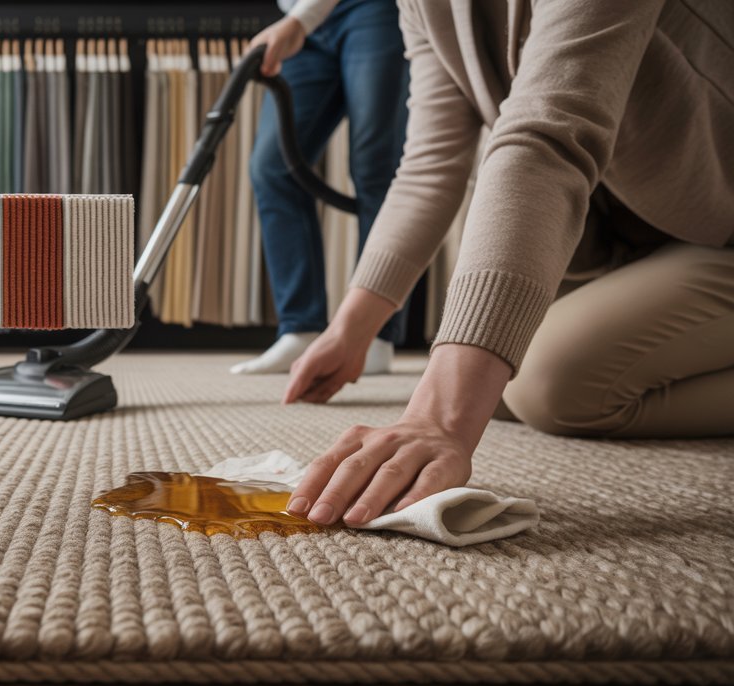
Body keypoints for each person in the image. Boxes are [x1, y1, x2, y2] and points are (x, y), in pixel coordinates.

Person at [277, 0, 734, 527]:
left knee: (550, 382)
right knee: (499, 386)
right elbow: (428, 167)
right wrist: (349, 330)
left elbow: (549, 132)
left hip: (719, 234)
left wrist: (439, 417)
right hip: (651, 239)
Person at [232, 0, 409, 376]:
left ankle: (373, 333)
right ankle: (301, 328)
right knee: (272, 166)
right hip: (301, 17)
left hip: (371, 9)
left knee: (375, 168)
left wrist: (300, 20)